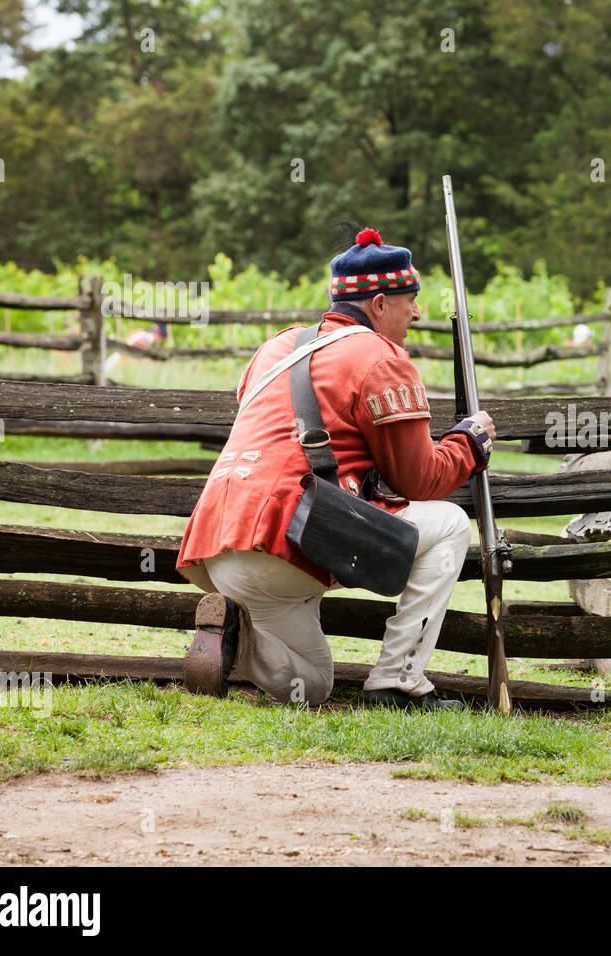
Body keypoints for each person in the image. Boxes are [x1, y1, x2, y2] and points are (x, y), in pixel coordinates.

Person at [176, 227, 494, 710]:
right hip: (291, 539)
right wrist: (469, 443)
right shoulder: (381, 356)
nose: (417, 313)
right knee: (450, 524)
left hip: (219, 548)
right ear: (380, 303)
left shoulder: (274, 347)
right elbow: (419, 480)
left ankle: (233, 638)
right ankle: (398, 681)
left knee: (314, 683)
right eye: (410, 299)